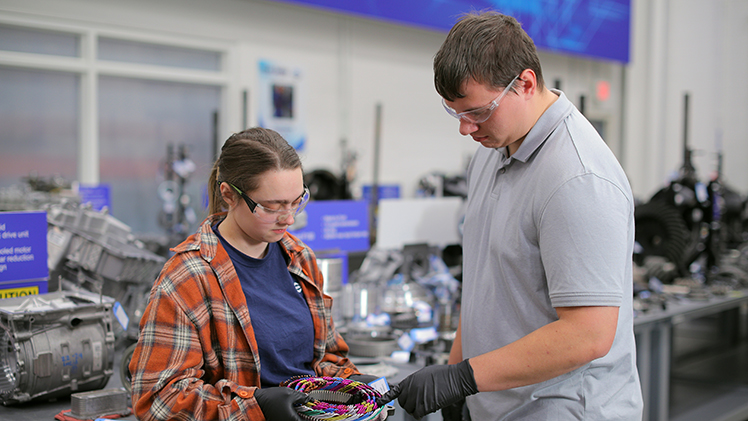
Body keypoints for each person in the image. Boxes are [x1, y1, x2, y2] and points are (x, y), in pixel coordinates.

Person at [386, 11, 644, 420]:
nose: (466, 129)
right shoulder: (492, 153)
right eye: (456, 113)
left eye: (478, 111)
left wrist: (462, 378)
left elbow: (588, 335)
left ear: (524, 83)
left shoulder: (577, 178)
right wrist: (456, 381)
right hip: (497, 402)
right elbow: (484, 287)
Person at [129, 127, 375, 421]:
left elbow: (326, 358)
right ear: (229, 195)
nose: (290, 218)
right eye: (272, 206)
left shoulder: (300, 259)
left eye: (298, 200)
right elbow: (159, 398)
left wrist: (355, 387)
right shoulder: (188, 278)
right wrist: (255, 407)